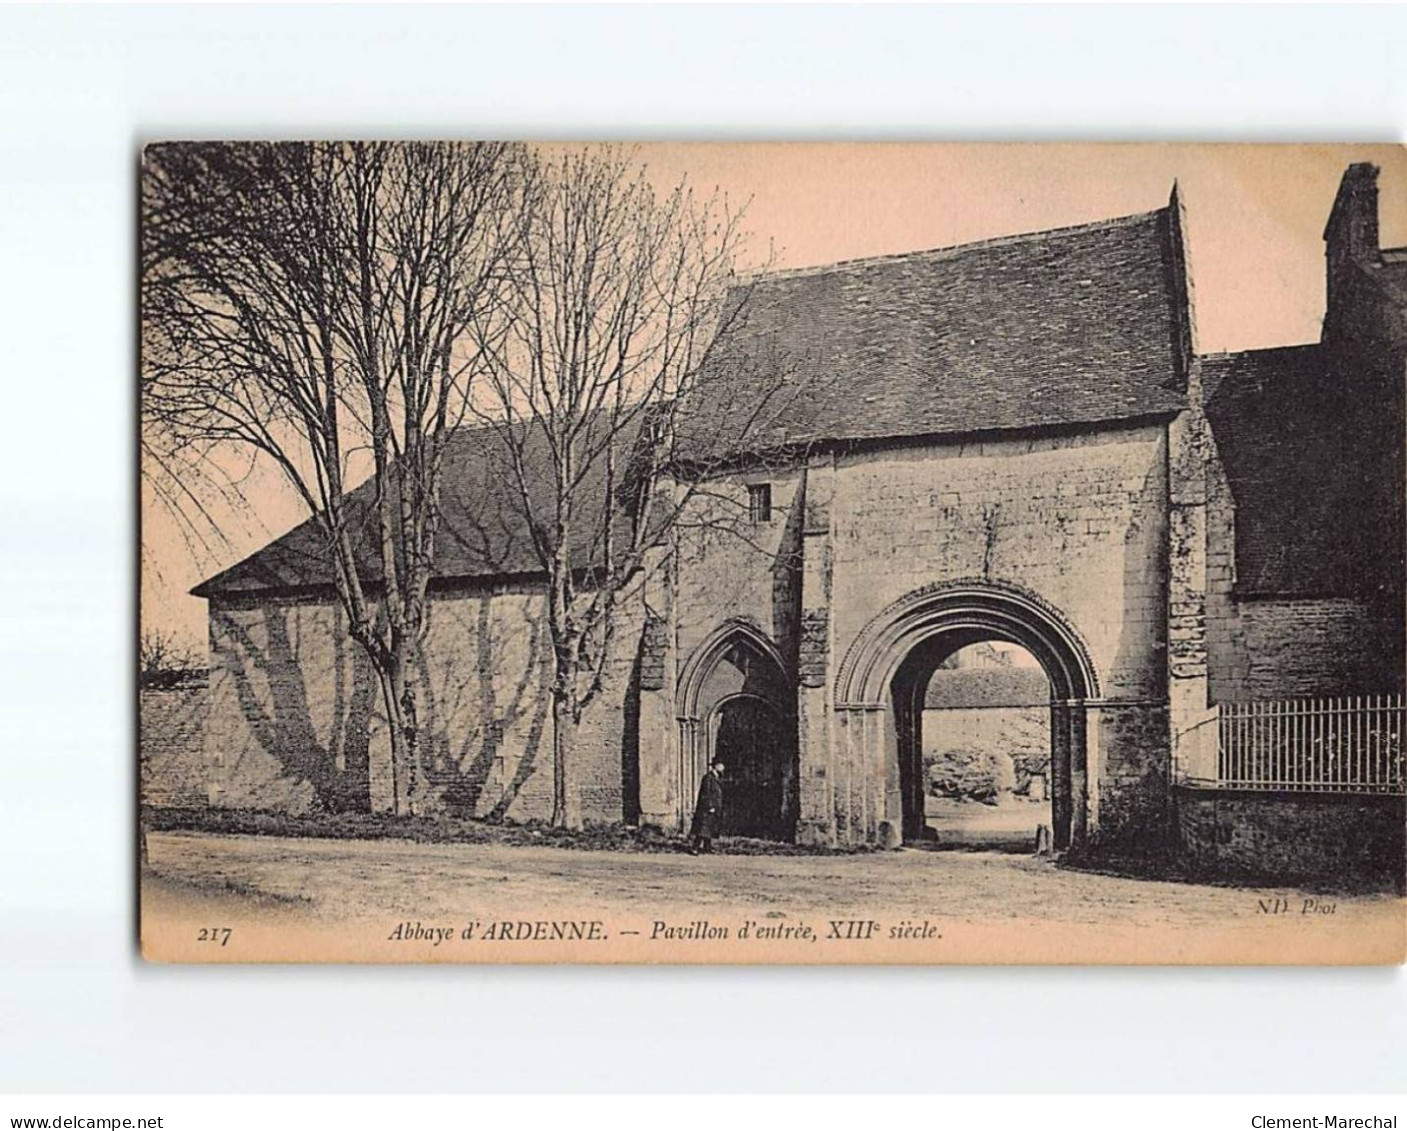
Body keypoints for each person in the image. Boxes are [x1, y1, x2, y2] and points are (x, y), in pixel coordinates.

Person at [689, 759, 725, 855]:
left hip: (715, 806)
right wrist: (710, 806)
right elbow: (706, 793)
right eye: (721, 765)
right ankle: (695, 847)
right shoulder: (708, 778)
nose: (723, 767)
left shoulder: (717, 777)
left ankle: (707, 847)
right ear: (716, 766)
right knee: (703, 828)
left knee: (710, 827)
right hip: (708, 807)